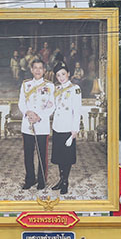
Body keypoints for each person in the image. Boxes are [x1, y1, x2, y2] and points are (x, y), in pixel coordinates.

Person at [18, 59, 55, 190]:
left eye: (40, 68)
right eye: (35, 68)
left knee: (42, 154)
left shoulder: (50, 86)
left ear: (44, 70)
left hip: (42, 125)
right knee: (28, 154)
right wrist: (28, 112)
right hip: (27, 125)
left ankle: (41, 180)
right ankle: (29, 179)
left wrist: (39, 116)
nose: (38, 70)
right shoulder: (26, 85)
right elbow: (21, 102)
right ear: (31, 70)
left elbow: (52, 105)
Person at [50, 62, 82, 195]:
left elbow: (77, 110)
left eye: (63, 74)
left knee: (67, 157)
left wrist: (75, 129)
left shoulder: (75, 88)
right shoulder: (56, 89)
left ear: (68, 74)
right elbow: (53, 106)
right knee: (59, 156)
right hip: (57, 126)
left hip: (68, 128)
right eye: (58, 75)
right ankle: (61, 179)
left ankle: (65, 182)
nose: (61, 77)